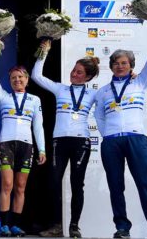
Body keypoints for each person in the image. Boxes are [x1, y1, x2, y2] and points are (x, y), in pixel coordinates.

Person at [32, 40, 100, 238]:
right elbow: (36, 76)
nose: (74, 74)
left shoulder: (94, 94)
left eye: (79, 72)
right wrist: (44, 52)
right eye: (74, 70)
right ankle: (56, 225)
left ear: (88, 77)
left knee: (77, 184)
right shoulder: (60, 89)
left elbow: (114, 95)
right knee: (53, 183)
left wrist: (131, 78)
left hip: (81, 142)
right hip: (59, 141)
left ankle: (74, 226)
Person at [94, 27, 147, 239]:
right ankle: (122, 228)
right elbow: (99, 116)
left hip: (136, 138)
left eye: (124, 63)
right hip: (111, 142)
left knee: (146, 183)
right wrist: (107, 135)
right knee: (115, 186)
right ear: (111, 66)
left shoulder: (140, 81)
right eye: (116, 63)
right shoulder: (103, 91)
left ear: (131, 65)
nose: (120, 66)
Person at [0, 36, 46, 237]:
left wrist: (42, 149)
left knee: (20, 187)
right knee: (7, 185)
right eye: (13, 78)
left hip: (27, 146)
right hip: (6, 145)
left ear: (27, 80)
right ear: (10, 81)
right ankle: (4, 225)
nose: (17, 80)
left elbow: (38, 126)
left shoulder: (35, 100)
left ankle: (16, 225)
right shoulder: (4, 96)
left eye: (20, 77)